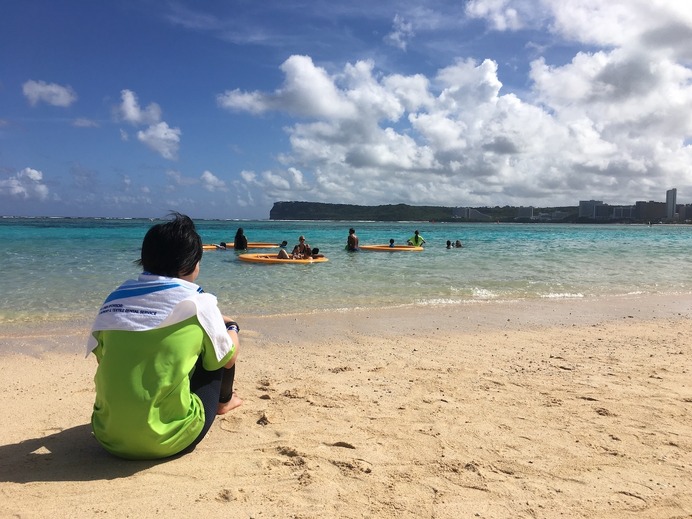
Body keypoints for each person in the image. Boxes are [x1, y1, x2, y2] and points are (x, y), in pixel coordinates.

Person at [87, 212, 241, 460]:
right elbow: (228, 358)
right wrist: (232, 327)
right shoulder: (199, 304)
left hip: (107, 436)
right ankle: (224, 402)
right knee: (219, 349)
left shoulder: (115, 300)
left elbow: (104, 357)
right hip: (170, 440)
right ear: (187, 266)